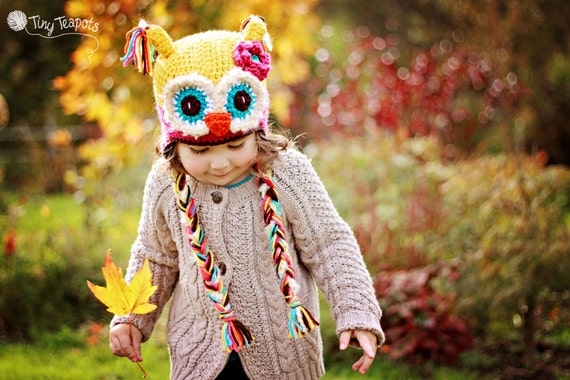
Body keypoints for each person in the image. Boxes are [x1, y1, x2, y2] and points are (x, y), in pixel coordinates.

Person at [109, 15, 385, 380]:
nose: (220, 163)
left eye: (236, 145)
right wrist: (131, 317)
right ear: (174, 143)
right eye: (200, 152)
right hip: (199, 354)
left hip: (283, 354)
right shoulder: (165, 184)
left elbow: (330, 245)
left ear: (257, 129)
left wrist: (357, 312)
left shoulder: (287, 172)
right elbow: (155, 257)